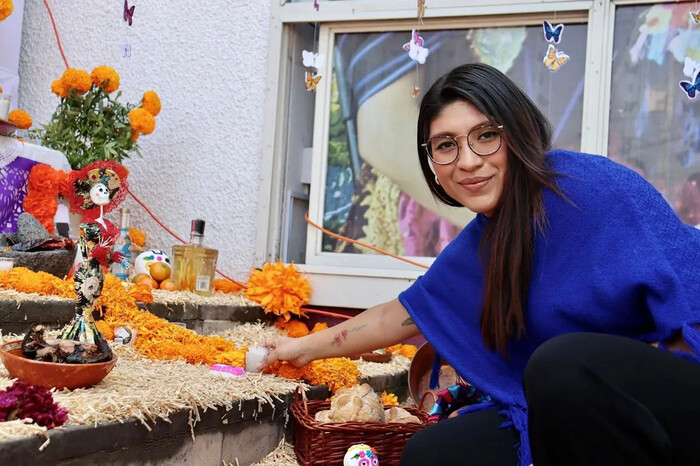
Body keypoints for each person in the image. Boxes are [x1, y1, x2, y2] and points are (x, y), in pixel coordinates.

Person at [260, 63, 700, 466]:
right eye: (445, 146)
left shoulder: (592, 187)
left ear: (519, 131)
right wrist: (298, 350)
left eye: (486, 135)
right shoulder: (484, 243)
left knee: (560, 365)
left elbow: (689, 289)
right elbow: (398, 316)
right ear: (432, 163)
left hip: (672, 403)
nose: (468, 162)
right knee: (435, 453)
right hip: (573, 414)